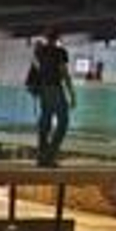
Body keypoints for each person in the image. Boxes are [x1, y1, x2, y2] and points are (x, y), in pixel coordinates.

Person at [31, 29, 75, 167]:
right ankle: (50, 156)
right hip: (55, 88)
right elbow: (64, 73)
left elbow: (38, 69)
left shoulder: (40, 51)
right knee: (63, 121)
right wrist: (72, 93)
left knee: (45, 121)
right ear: (58, 38)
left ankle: (41, 156)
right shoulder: (60, 52)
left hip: (43, 90)